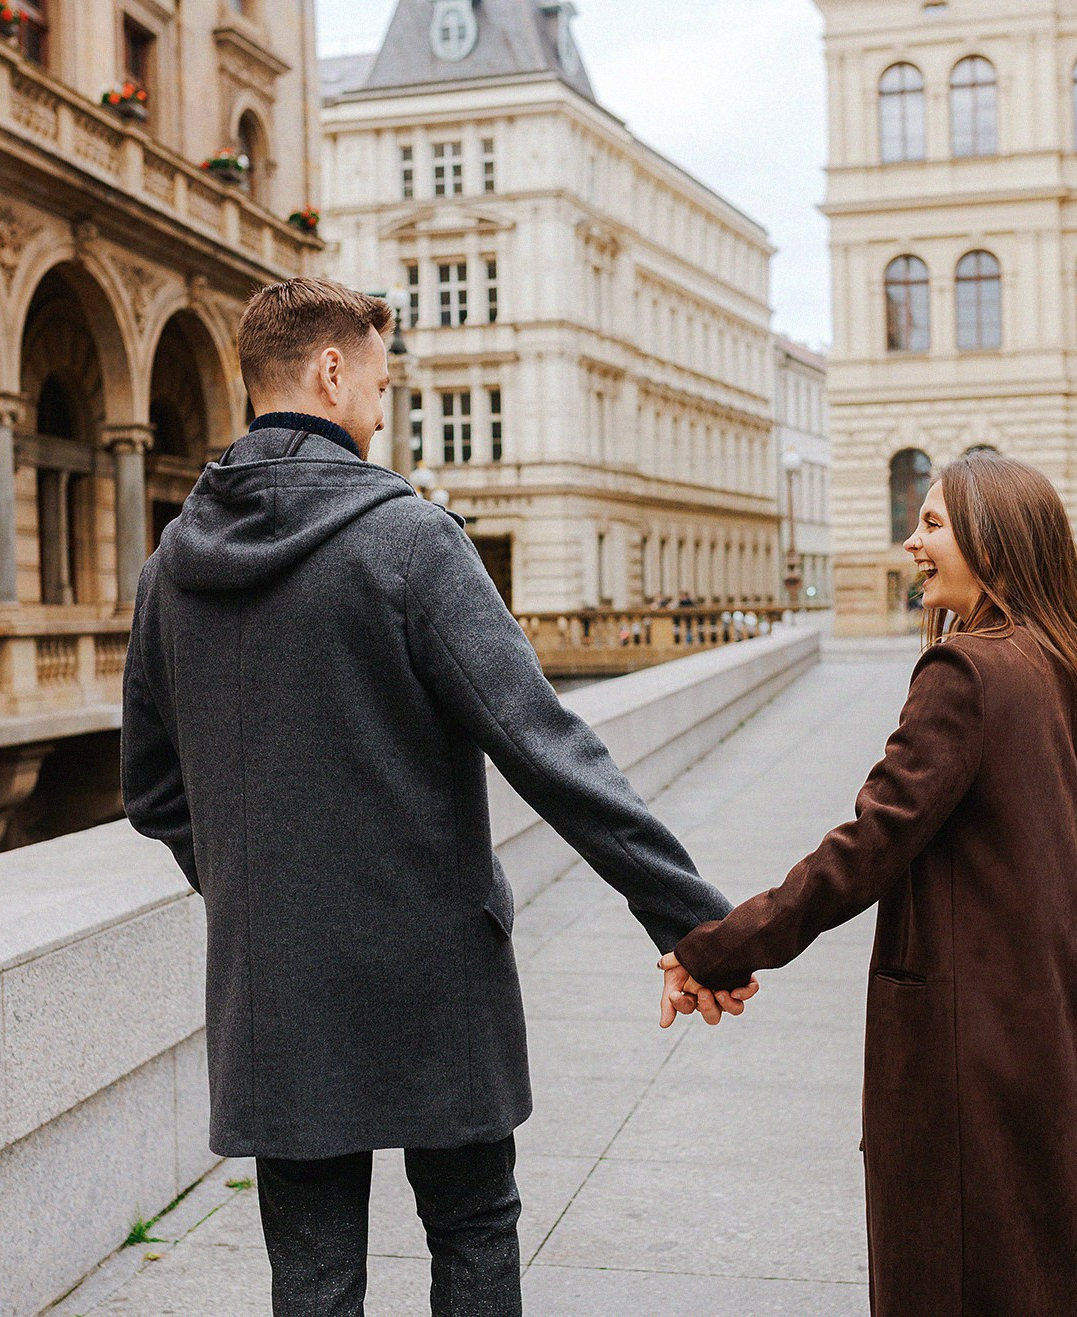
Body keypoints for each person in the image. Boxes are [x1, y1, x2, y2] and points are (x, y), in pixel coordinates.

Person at [120, 277, 754, 1317]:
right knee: (470, 1230)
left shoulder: (167, 573)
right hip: (433, 969)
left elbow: (151, 792)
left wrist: (260, 889)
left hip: (274, 982)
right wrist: (694, 921)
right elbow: (546, 748)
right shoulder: (409, 541)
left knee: (313, 1274)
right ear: (331, 372)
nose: (383, 409)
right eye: (380, 384)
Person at [660, 450, 1077, 1316]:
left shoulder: (966, 673)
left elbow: (866, 847)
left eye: (934, 523)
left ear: (995, 539)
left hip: (975, 1056)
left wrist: (719, 947)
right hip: (1071, 1040)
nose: (910, 542)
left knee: (968, 1279)